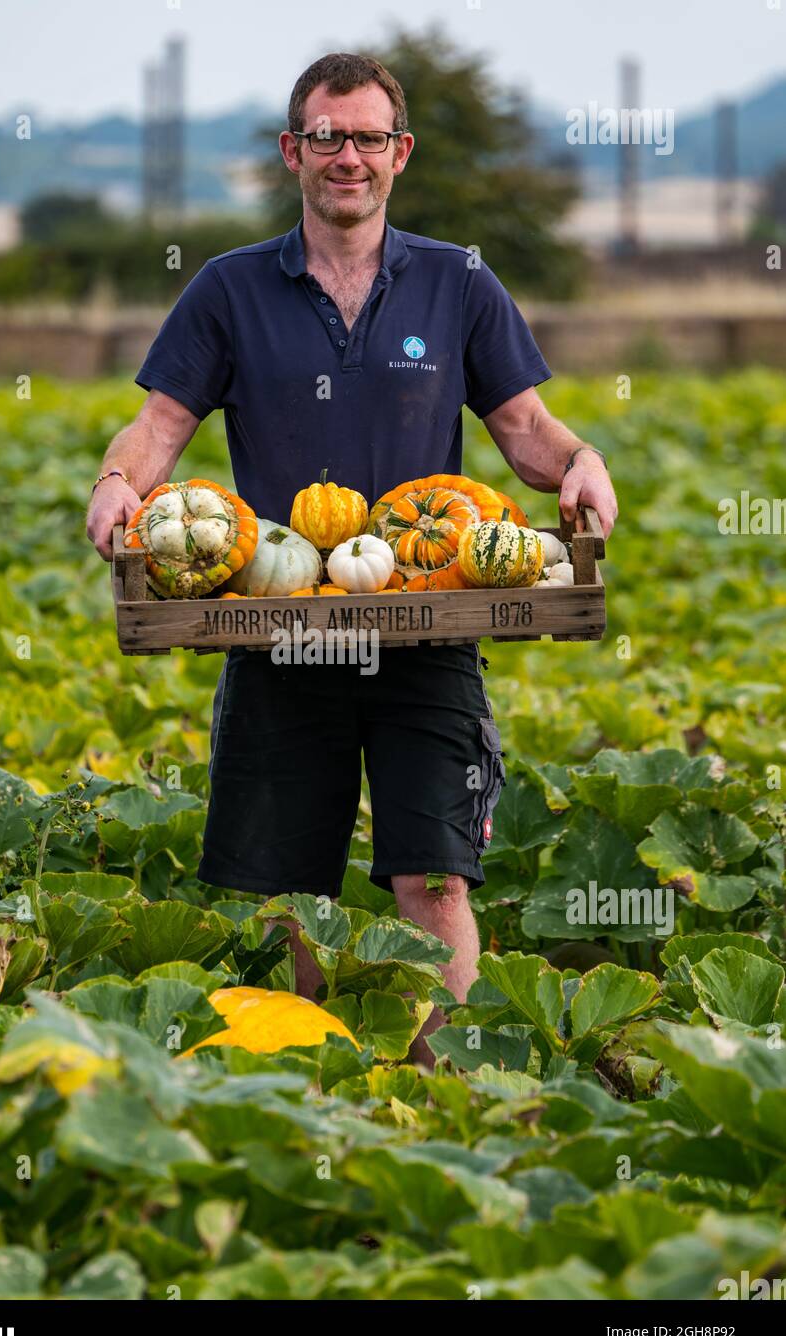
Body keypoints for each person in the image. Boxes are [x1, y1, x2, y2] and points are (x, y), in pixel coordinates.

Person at [87, 51, 619, 1067]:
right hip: (280, 623)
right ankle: (317, 1086)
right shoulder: (228, 289)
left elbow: (524, 432)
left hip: (427, 625)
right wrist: (118, 483)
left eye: (367, 136)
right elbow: (155, 429)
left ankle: (443, 1080)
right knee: (296, 895)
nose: (346, 156)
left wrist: (581, 463)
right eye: (325, 135)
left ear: (398, 153)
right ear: (293, 150)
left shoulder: (457, 282)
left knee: (436, 879)